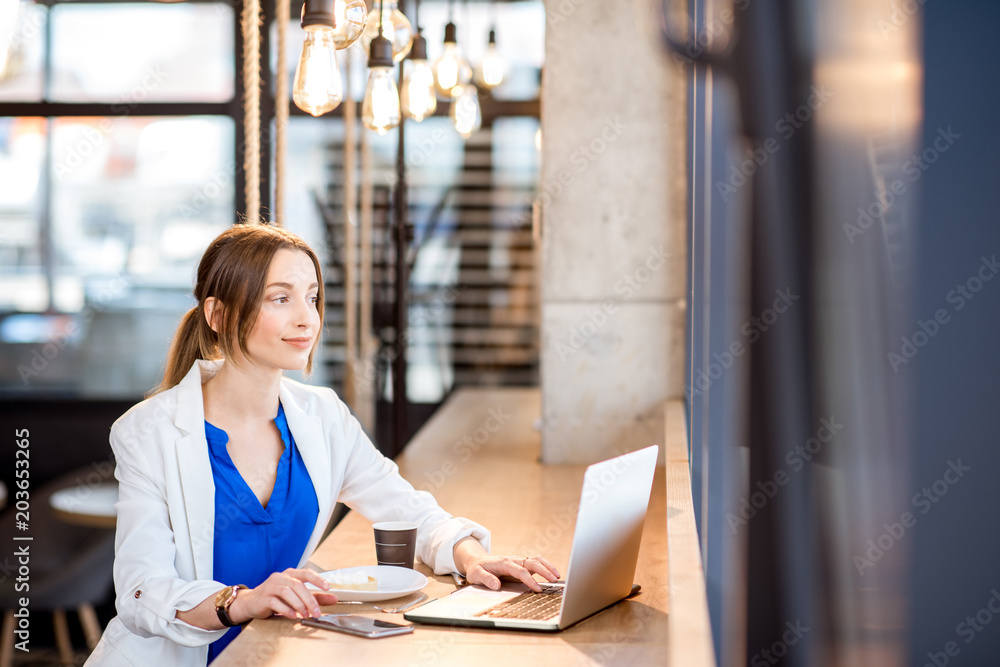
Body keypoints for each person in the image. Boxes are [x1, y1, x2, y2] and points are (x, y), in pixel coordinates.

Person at [85, 223, 559, 666]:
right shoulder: (148, 433)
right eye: (280, 298)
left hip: (275, 652)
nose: (306, 319)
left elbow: (405, 507)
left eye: (311, 298)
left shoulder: (322, 416)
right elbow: (140, 592)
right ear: (218, 314)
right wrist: (240, 601)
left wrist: (472, 558)